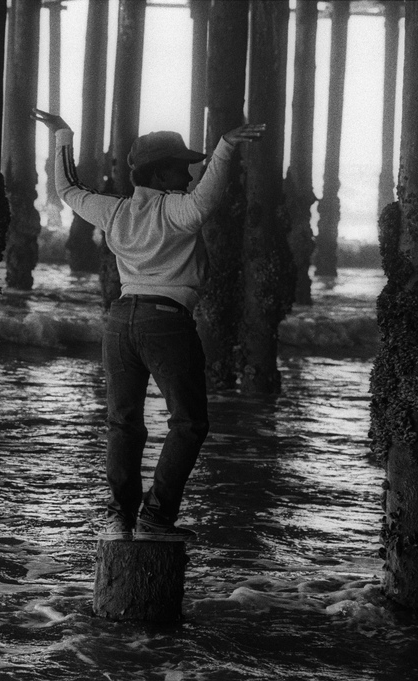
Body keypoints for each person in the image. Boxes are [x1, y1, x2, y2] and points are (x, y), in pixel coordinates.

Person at [32, 108, 265, 541]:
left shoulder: (113, 212)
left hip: (119, 322)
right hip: (167, 322)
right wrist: (226, 148)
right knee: (189, 423)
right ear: (161, 176)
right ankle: (156, 518)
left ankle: (119, 518)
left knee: (123, 423)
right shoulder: (178, 211)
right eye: (183, 168)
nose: (192, 176)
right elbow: (206, 200)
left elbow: (67, 188)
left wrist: (63, 134)